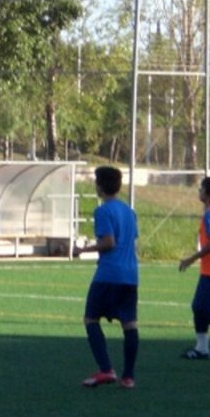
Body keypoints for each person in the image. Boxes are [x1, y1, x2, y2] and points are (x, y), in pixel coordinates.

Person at [73, 165, 139, 388]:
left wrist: (83, 250)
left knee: (91, 318)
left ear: (100, 186)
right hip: (130, 275)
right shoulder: (129, 211)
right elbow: (131, 239)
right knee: (129, 324)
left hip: (109, 274)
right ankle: (128, 377)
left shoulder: (103, 211)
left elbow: (109, 242)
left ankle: (106, 369)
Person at [178, 176, 210, 359]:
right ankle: (201, 348)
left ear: (208, 193)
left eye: (201, 189)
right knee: (201, 308)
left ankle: (202, 348)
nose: (199, 192)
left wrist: (191, 259)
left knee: (201, 308)